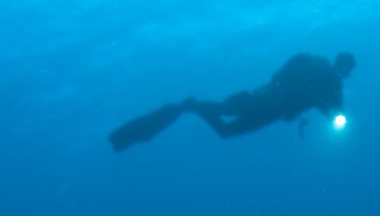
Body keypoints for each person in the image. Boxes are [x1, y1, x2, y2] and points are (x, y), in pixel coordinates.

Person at [108, 51, 356, 152]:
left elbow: (279, 77)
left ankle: (190, 106)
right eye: (347, 69)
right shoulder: (329, 79)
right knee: (225, 121)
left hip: (267, 101)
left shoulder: (316, 68)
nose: (345, 73)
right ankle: (190, 106)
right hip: (270, 104)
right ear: (343, 67)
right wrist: (338, 118)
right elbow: (333, 111)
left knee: (225, 121)